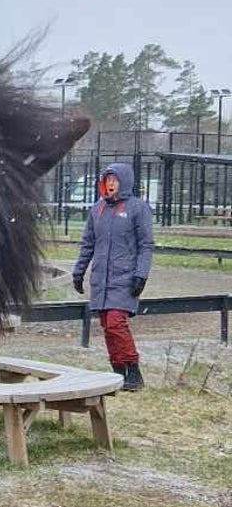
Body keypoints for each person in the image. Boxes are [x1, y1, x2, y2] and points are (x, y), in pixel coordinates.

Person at [72, 161, 153, 390]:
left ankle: (133, 371)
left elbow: (146, 245)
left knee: (117, 322)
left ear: (124, 182)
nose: (110, 185)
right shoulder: (97, 209)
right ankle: (119, 373)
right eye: (107, 180)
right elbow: (88, 244)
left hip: (124, 278)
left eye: (114, 180)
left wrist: (141, 274)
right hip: (101, 279)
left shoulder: (138, 208)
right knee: (107, 325)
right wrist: (79, 272)